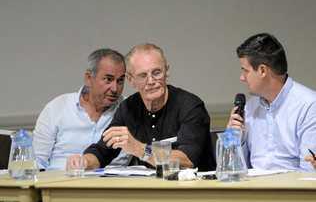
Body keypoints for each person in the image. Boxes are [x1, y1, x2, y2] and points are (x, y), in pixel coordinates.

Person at [67, 43, 215, 171]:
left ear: (167, 72)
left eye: (156, 73)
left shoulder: (190, 106)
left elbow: (186, 161)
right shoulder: (128, 108)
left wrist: (139, 148)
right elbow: (102, 151)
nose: (151, 81)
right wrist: (84, 161)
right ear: (131, 80)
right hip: (149, 190)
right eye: (143, 76)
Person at [227, 33, 316, 171]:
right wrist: (232, 137)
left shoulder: (309, 105)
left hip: (291, 190)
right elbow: (232, 168)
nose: (242, 78)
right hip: (252, 189)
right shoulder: (250, 107)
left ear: (262, 70)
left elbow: (309, 171)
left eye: (245, 71)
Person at [33, 48, 130, 170]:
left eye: (120, 81)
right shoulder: (57, 108)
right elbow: (37, 162)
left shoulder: (130, 110)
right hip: (60, 183)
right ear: (89, 78)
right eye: (108, 79)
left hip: (111, 185)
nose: (115, 88)